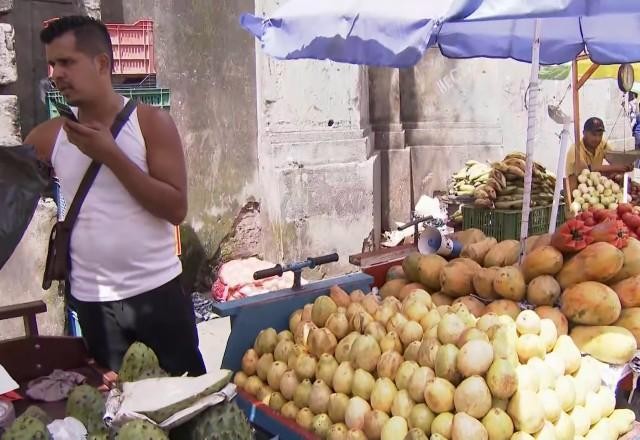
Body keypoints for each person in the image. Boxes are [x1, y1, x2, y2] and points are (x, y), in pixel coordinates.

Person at [24, 16, 206, 376]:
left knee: (185, 407)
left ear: (102, 63)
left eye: (67, 62)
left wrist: (111, 155)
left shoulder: (151, 124)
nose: (56, 73)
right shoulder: (51, 135)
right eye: (52, 63)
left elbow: (175, 208)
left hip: (157, 296)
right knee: (120, 414)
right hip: (94, 304)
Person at [565, 116, 632, 176]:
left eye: (600, 135)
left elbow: (614, 160)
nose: (597, 139)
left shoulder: (602, 144)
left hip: (594, 185)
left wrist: (625, 164)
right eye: (593, 134)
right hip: (576, 187)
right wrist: (616, 167)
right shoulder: (575, 150)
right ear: (584, 133)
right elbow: (587, 171)